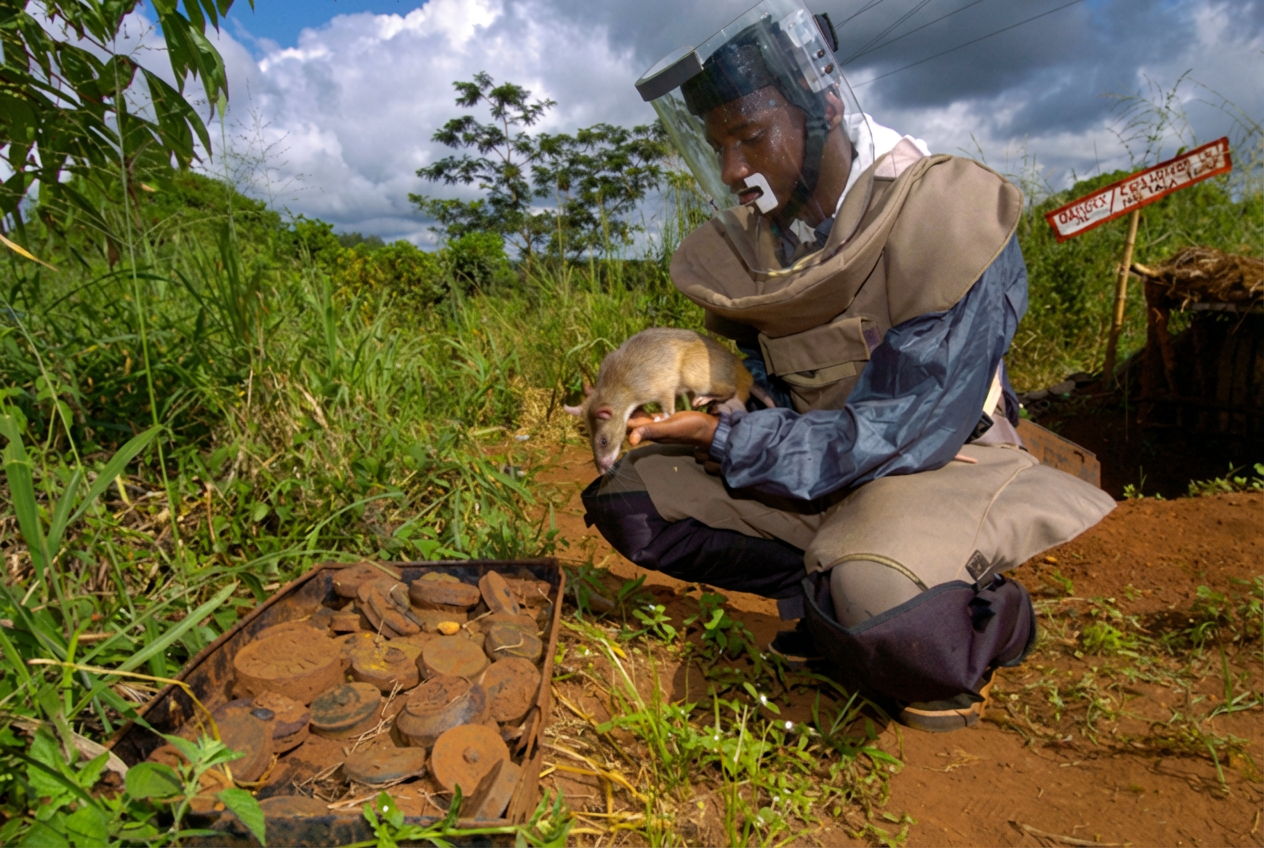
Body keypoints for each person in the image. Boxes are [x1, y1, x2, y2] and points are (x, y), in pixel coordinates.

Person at [581, 0, 1117, 732]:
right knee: (631, 499)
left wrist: (729, 443)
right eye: (718, 146)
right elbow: (774, 378)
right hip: (815, 470)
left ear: (825, 107)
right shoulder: (767, 240)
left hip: (938, 465)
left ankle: (979, 611)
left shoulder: (944, 215)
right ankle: (825, 582)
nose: (735, 169)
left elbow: (909, 428)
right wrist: (728, 411)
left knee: (877, 602)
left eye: (750, 136)